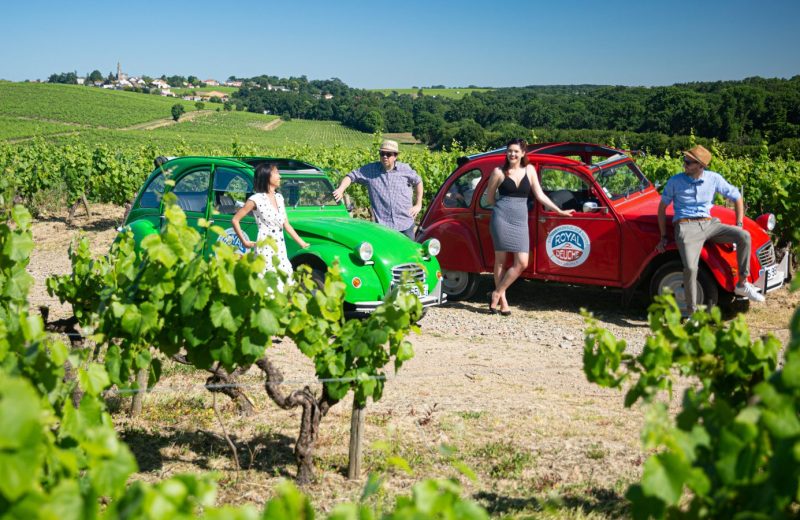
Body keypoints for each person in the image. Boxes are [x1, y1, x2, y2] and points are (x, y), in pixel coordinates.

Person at [656, 144, 764, 315]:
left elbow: (737, 196)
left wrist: (739, 223)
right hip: (686, 227)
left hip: (709, 224)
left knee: (744, 236)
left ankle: (742, 284)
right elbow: (662, 208)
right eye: (685, 161)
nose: (685, 164)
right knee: (691, 268)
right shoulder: (675, 181)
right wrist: (663, 236)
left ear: (701, 165)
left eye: (689, 162)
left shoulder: (713, 178)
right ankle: (692, 313)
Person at [486, 138, 575, 315]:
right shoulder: (498, 172)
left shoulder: (530, 170)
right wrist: (505, 207)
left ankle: (496, 292)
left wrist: (559, 211)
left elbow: (540, 195)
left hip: (520, 220)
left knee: (522, 263)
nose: (512, 154)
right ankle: (503, 302)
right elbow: (489, 199)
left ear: (523, 153)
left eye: (516, 151)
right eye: (510, 150)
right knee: (501, 262)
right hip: (501, 218)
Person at [232, 163, 309, 287]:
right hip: (265, 247)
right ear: (267, 176)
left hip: (280, 247)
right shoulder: (255, 199)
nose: (280, 176)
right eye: (276, 173)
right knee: (267, 283)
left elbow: (286, 225)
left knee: (285, 282)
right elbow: (235, 220)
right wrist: (244, 242)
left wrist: (302, 243)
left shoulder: (279, 197)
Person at [332, 139, 423, 239]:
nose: (384, 156)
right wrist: (340, 189)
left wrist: (418, 205)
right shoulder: (370, 170)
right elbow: (350, 176)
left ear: (395, 156)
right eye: (382, 153)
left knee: (409, 253)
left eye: (388, 154)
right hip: (383, 226)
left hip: (405, 223)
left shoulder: (405, 169)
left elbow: (418, 182)